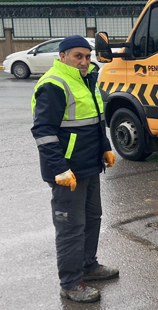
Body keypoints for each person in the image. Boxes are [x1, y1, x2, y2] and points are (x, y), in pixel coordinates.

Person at [30, 35, 119, 303]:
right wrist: (59, 168)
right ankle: (70, 283)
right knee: (71, 228)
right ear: (63, 57)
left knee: (92, 219)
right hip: (67, 172)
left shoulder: (88, 78)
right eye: (77, 56)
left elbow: (96, 119)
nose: (84, 60)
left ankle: (88, 267)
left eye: (87, 55)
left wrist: (105, 146)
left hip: (90, 165)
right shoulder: (53, 84)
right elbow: (43, 132)